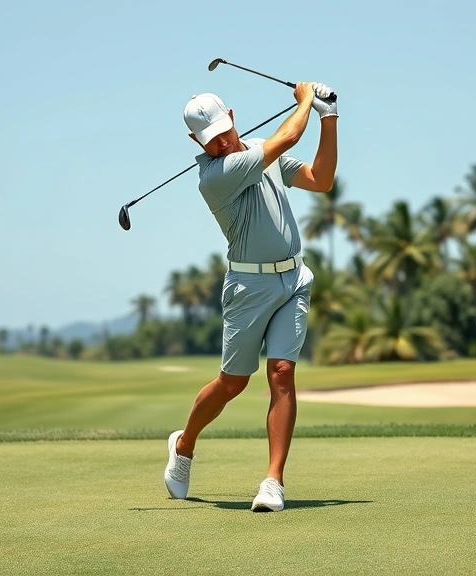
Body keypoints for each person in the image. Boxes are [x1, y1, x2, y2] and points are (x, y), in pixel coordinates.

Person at [164, 81, 338, 512]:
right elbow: (289, 136)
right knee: (232, 383)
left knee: (281, 373)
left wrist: (329, 118)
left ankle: (273, 481)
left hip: (293, 279)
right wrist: (304, 102)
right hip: (248, 288)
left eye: (224, 132)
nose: (221, 143)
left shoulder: (265, 151)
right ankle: (184, 446)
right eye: (211, 140)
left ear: (233, 118)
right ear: (196, 142)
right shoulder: (215, 176)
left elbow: (322, 179)